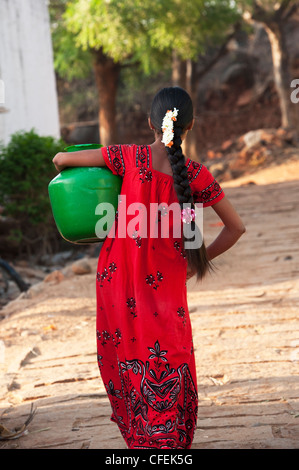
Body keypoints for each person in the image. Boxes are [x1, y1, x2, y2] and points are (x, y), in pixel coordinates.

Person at [52, 86, 245, 449]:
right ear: (190, 127)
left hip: (117, 283)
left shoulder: (127, 157)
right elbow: (237, 228)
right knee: (168, 356)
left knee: (126, 356)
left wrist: (67, 156)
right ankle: (167, 441)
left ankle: (144, 441)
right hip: (166, 287)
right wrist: (197, 262)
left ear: (149, 123)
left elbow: (63, 160)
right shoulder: (195, 174)